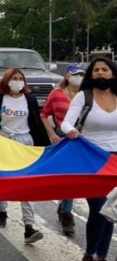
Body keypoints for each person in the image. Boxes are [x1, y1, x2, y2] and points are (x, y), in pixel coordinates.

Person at [60, 57, 117, 261]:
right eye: (96, 70)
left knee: (110, 211)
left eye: (105, 69)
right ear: (91, 75)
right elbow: (66, 122)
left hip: (115, 161)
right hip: (90, 158)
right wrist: (71, 131)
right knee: (99, 207)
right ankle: (90, 255)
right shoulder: (84, 96)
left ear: (113, 73)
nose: (100, 73)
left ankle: (101, 258)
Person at [0, 68, 48, 244]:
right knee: (4, 179)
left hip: (25, 143)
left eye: (21, 78)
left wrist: (44, 144)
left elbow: (36, 121)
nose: (18, 81)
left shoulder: (30, 99)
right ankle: (3, 210)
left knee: (27, 183)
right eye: (14, 78)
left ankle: (29, 226)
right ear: (7, 81)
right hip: (4, 142)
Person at [40, 63, 86, 237]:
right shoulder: (56, 94)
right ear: (67, 76)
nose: (79, 77)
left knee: (78, 179)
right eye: (76, 74)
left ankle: (64, 206)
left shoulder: (87, 95)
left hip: (82, 140)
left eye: (82, 74)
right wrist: (51, 133)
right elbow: (44, 114)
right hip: (63, 139)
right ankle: (67, 214)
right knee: (69, 177)